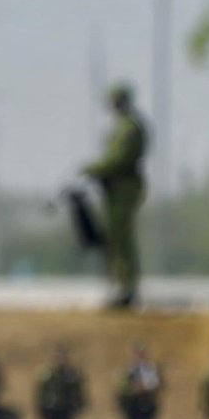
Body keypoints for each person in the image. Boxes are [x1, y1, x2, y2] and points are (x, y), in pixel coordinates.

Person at [83, 83, 148, 310]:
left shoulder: (130, 128)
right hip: (114, 190)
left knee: (121, 238)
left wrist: (94, 168)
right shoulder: (122, 127)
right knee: (114, 238)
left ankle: (127, 288)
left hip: (125, 189)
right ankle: (121, 286)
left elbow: (120, 159)